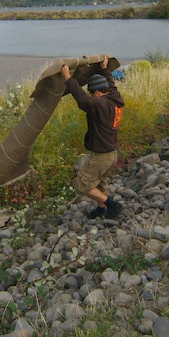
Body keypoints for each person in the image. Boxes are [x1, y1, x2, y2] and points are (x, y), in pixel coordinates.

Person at [60, 55, 125, 219]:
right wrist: (104, 69)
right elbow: (111, 84)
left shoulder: (101, 104)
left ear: (97, 92)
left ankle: (111, 205)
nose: (91, 95)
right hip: (112, 152)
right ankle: (103, 210)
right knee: (101, 182)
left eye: (92, 92)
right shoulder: (115, 98)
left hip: (102, 155)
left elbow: (83, 101)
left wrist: (68, 78)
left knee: (83, 184)